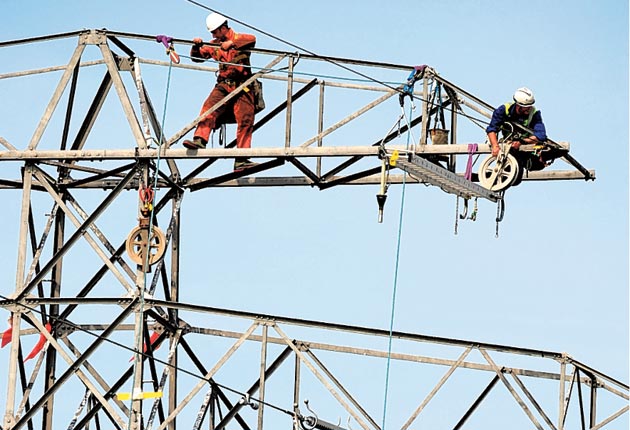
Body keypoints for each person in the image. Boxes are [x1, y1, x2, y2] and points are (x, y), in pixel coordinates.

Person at [183, 13, 258, 172]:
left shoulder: (239, 37)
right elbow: (197, 57)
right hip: (224, 85)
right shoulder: (214, 44)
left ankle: (242, 160)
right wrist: (196, 46)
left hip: (243, 86)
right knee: (209, 107)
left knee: (245, 119)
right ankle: (200, 139)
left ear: (223, 28)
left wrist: (232, 43)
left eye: (215, 32)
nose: (213, 35)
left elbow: (252, 38)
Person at [486, 87, 549, 171]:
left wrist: (522, 142)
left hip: (525, 146)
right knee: (512, 169)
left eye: (530, 106)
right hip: (509, 144)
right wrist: (495, 146)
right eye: (526, 107)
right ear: (518, 106)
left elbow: (541, 135)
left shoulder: (534, 114)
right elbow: (492, 129)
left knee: (536, 164)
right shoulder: (504, 110)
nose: (529, 109)